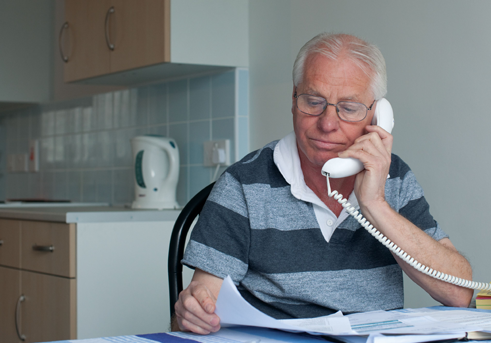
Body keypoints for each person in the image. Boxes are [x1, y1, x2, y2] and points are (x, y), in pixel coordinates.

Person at [173, 33, 473, 334]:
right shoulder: (242, 184)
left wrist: (375, 205)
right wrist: (194, 313)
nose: (327, 124)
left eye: (349, 107)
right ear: (293, 100)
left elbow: (459, 292)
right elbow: (194, 313)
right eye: (313, 102)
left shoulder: (394, 178)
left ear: (379, 116)